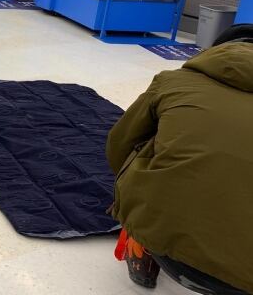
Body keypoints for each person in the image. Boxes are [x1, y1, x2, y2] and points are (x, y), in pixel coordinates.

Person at [106, 35, 253, 294]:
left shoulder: (174, 81)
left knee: (148, 141)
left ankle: (140, 251)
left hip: (165, 247)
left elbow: (119, 145)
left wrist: (127, 199)